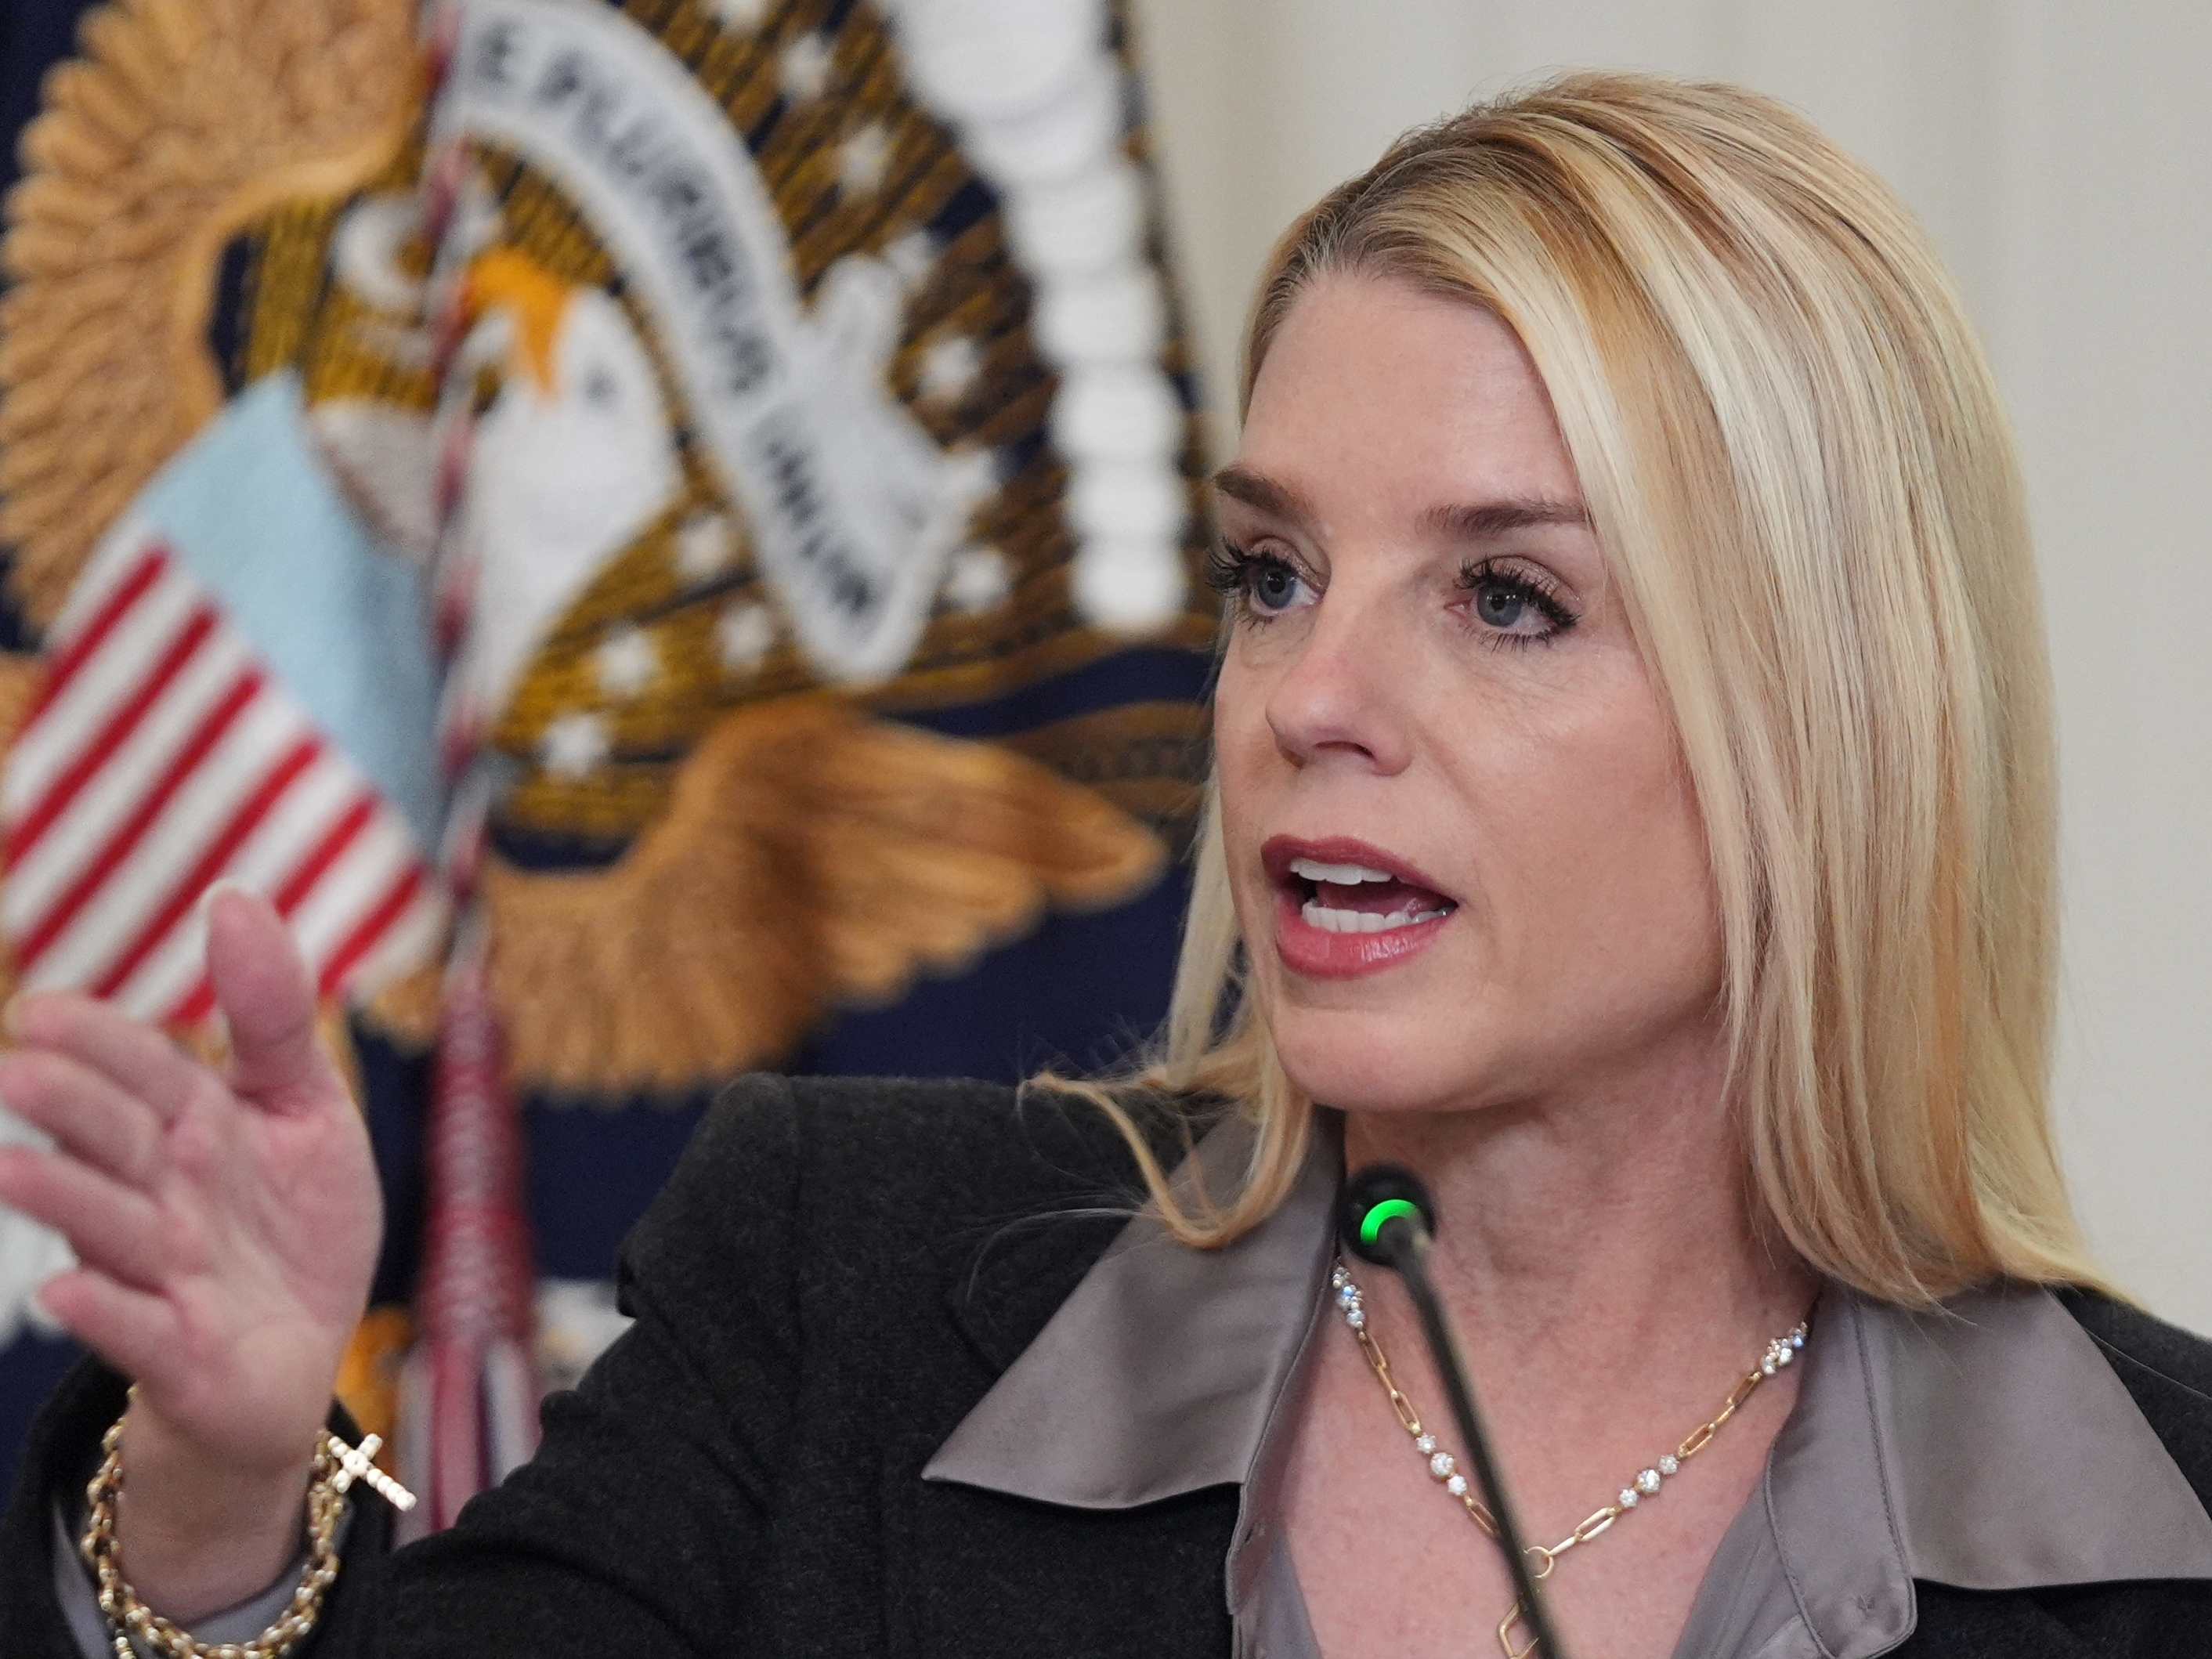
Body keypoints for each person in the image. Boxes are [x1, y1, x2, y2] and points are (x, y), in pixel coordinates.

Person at [3, 70, 2210, 1659]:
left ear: (1827, 727)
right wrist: (219, 1502)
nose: (1304, 698)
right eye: (1271, 572)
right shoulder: (849, 1286)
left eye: (1505, 598)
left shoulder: (2164, 1526)